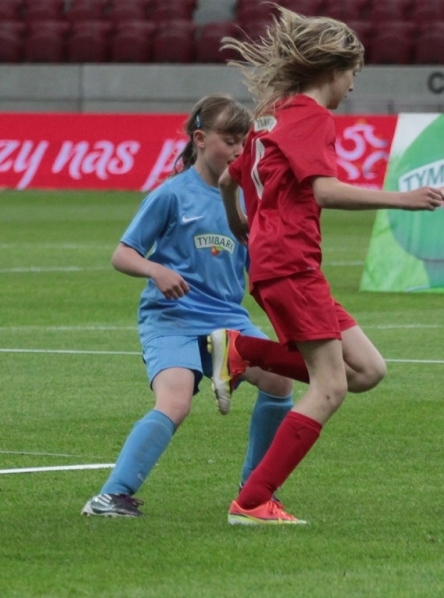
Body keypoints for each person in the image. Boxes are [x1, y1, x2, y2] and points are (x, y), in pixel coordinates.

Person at [217, 6, 444, 525]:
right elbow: (324, 191)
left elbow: (229, 180)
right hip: (293, 264)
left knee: (366, 370)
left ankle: (239, 350)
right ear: (332, 69)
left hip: (278, 263)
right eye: (352, 76)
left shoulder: (272, 114)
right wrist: (404, 199)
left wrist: (241, 226)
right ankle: (253, 501)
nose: (352, 88)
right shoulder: (312, 117)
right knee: (331, 387)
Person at [82, 95, 295, 518]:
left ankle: (252, 494)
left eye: (243, 142)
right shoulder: (172, 195)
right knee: (175, 403)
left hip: (227, 320)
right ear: (199, 139)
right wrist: (156, 271)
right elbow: (122, 254)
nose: (238, 150)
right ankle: (110, 497)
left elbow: (256, 266)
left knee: (279, 382)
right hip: (173, 320)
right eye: (229, 140)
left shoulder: (248, 197)